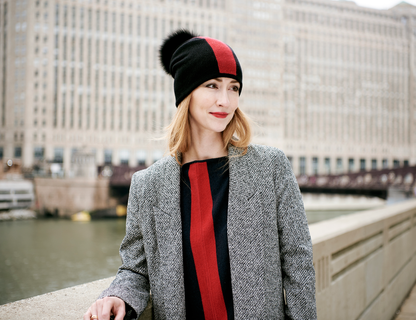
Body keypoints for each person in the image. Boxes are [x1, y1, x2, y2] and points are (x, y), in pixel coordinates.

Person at [84, 29, 316, 320]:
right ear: (186, 93)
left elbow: (298, 261)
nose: (225, 101)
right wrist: (118, 296)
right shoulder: (148, 185)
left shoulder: (270, 167)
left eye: (233, 88)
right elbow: (135, 268)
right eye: (212, 85)